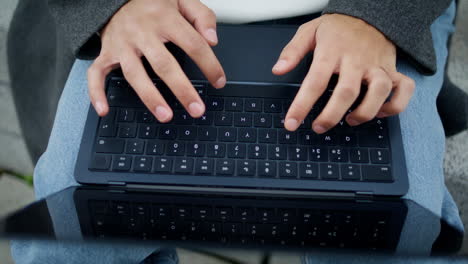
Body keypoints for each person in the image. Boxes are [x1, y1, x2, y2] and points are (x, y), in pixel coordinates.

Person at [10, 0, 463, 263]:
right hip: (143, 14)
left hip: (358, 17)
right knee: (70, 242)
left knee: (398, 237)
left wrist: (379, 15)